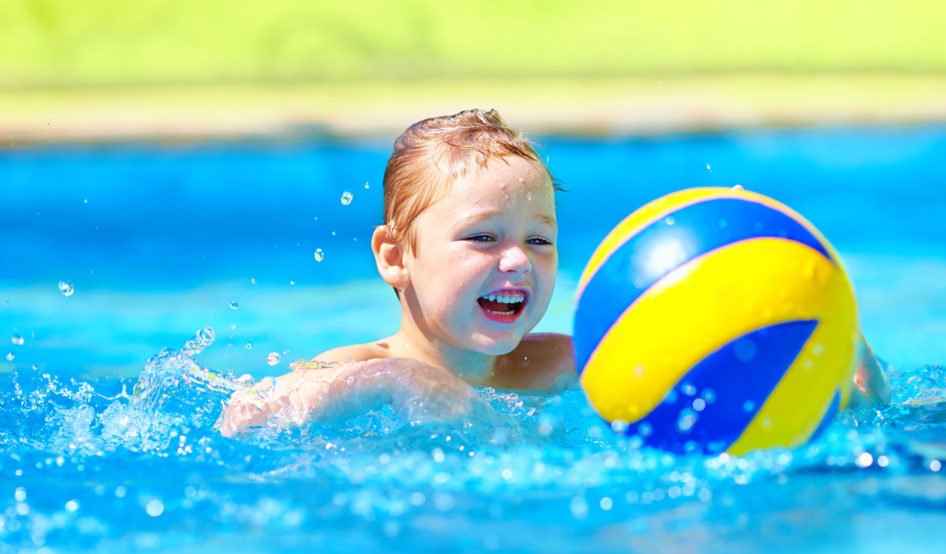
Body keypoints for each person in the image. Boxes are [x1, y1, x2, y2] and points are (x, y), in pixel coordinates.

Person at [216, 109, 888, 438]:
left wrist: (834, 358)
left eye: (539, 240)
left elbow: (716, 390)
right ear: (396, 256)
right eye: (482, 238)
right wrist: (395, 381)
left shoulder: (572, 366)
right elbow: (241, 421)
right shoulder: (361, 368)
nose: (517, 261)